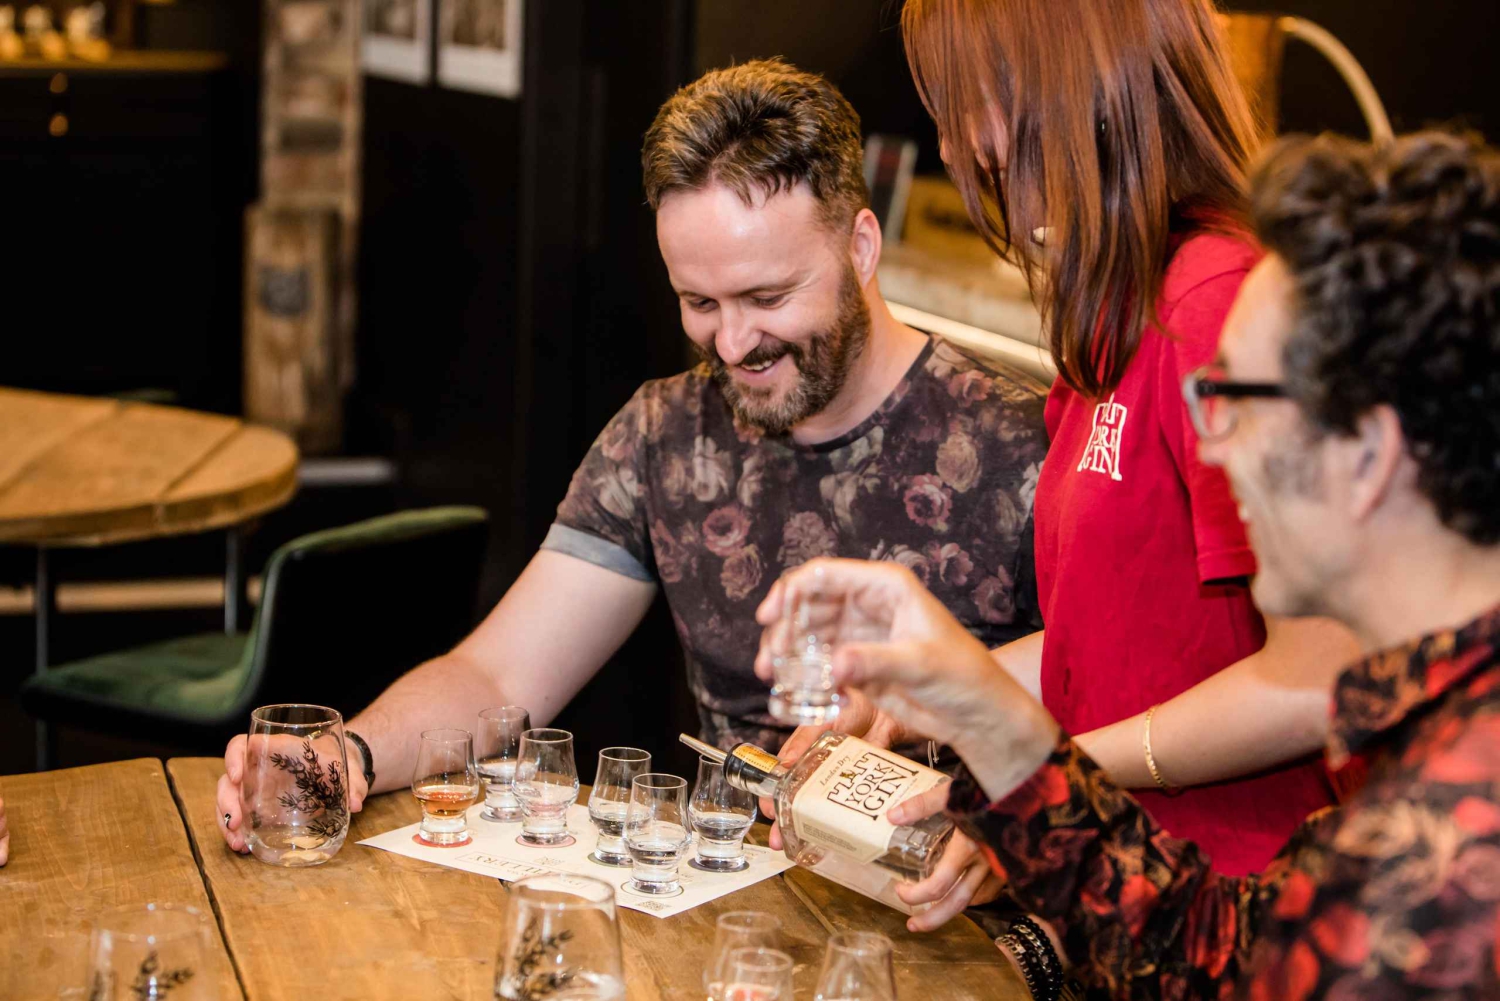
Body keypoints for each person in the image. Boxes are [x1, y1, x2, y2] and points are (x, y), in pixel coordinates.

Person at [214, 60, 1052, 860]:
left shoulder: (1018, 443)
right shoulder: (666, 431)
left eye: (767, 297)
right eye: (699, 301)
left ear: (862, 248)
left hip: (958, 906)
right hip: (728, 893)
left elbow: (1107, 695)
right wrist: (349, 753)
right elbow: (497, 674)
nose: (733, 342)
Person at [758, 130, 1500, 998]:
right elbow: (1208, 943)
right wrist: (980, 709)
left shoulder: (1457, 845)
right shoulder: (1428, 738)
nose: (1210, 446)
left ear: (1368, 454)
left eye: (1232, 399)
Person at [767, 0, 1361, 928]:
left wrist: (1044, 780)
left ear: (1060, 88)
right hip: (1131, 904)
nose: (954, 148)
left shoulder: (1219, 306)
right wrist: (929, 693)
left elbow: (1325, 671)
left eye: (964, 108)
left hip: (1248, 917)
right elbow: (1109, 643)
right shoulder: (1120, 321)